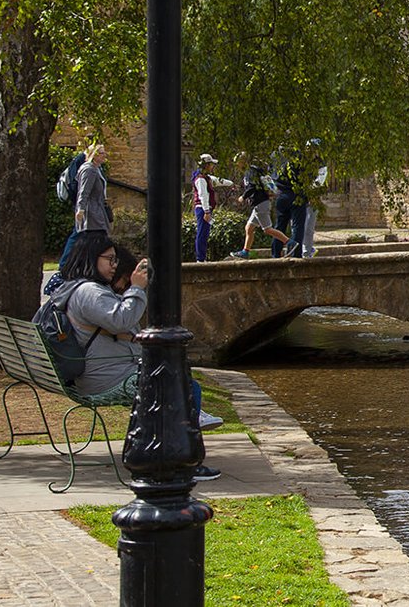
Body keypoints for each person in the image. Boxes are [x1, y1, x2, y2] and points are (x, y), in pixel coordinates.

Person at [59, 231, 222, 480]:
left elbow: (116, 327)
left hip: (96, 372)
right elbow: (122, 319)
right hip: (104, 377)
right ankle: (183, 461)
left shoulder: (75, 288)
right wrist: (136, 288)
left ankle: (176, 444)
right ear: (92, 258)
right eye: (109, 260)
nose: (115, 266)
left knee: (179, 380)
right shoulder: (89, 291)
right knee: (177, 384)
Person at [231, 153, 290, 258]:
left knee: (267, 229)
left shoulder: (250, 172)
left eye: (238, 162)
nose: (237, 165)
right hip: (260, 203)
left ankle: (290, 243)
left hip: (260, 203)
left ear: (242, 162)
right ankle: (245, 251)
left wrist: (243, 197)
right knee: (249, 228)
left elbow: (252, 187)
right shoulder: (253, 170)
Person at [189, 153, 233, 262]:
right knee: (202, 233)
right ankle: (200, 259)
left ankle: (202, 258)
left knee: (205, 233)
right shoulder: (201, 180)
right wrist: (207, 211)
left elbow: (218, 180)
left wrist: (231, 184)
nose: (213, 166)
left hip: (205, 209)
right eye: (211, 164)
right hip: (203, 209)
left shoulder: (206, 177)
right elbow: (203, 195)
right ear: (206, 165)